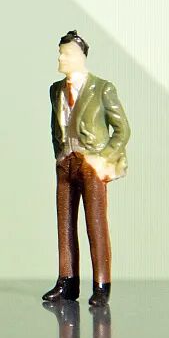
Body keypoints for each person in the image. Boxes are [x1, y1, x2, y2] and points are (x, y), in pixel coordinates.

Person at [42, 31, 130, 307]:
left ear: (80, 57)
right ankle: (67, 281)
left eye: (66, 53)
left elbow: (122, 129)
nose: (61, 58)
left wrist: (103, 159)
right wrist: (59, 155)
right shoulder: (56, 90)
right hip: (66, 163)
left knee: (95, 224)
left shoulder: (102, 88)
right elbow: (56, 127)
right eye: (60, 53)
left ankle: (101, 284)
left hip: (91, 164)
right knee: (65, 225)